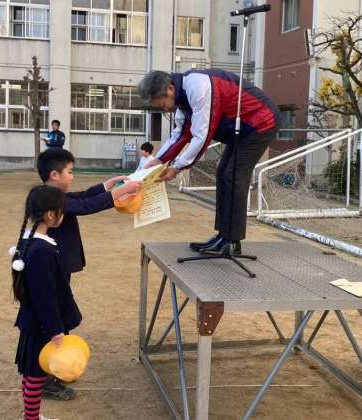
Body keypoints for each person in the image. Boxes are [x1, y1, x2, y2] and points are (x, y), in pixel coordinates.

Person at [138, 69, 280, 256]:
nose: (165, 109)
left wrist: (177, 167)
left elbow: (201, 137)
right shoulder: (182, 100)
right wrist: (158, 160)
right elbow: (180, 134)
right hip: (242, 129)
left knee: (233, 175)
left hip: (261, 122)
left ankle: (231, 242)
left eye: (162, 104)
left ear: (170, 89)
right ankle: (223, 236)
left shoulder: (198, 87)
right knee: (223, 172)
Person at [36, 148, 140, 400]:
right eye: (70, 172)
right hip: (55, 266)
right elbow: (85, 206)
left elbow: (81, 197)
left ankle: (57, 366)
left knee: (60, 315)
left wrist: (106, 185)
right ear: (54, 175)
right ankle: (47, 377)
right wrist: (119, 193)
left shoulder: (54, 195)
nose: (73, 176)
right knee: (54, 318)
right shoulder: (50, 199)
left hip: (59, 266)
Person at [12, 184, 81, 420]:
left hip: (34, 321)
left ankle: (31, 416)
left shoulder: (30, 241)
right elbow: (45, 296)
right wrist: (55, 330)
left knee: (31, 373)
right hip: (42, 326)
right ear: (51, 215)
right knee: (36, 375)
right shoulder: (41, 250)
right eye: (62, 211)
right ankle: (31, 418)